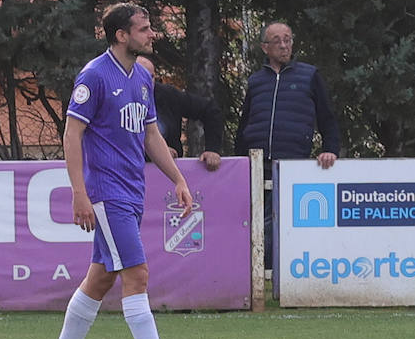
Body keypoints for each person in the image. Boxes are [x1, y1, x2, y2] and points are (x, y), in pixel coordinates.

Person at [43, 2, 198, 339]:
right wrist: (79, 193)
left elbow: (150, 134)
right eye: (144, 29)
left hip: (131, 190)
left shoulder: (141, 79)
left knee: (100, 278)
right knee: (137, 272)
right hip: (106, 192)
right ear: (121, 35)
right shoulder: (94, 76)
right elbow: (72, 134)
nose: (151, 35)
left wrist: (177, 178)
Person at [234, 21, 341, 268]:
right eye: (277, 41)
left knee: (283, 219)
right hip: (256, 163)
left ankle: (273, 269)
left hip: (293, 162)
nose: (283, 45)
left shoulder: (310, 75)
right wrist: (239, 161)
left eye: (288, 39)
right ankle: (255, 271)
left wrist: (330, 149)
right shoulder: (255, 81)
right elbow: (244, 125)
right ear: (264, 47)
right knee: (255, 218)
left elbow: (327, 118)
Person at [134, 56, 222, 171]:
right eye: (141, 76)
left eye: (151, 77)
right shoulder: (114, 98)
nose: (147, 83)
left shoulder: (168, 95)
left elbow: (210, 110)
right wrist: (156, 152)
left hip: (169, 176)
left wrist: (212, 149)